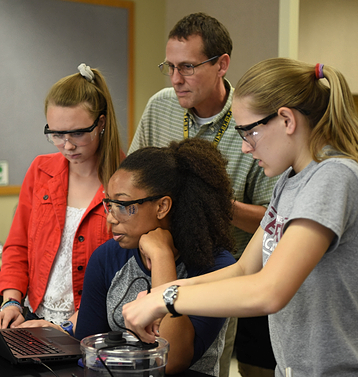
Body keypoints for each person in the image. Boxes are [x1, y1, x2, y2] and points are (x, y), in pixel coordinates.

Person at [121, 58, 358, 377]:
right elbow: (244, 269)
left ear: (286, 120)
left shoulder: (334, 178)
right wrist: (162, 292)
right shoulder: (290, 180)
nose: (244, 148)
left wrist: (169, 299)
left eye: (249, 132)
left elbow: (268, 291)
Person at [128, 12, 278, 377]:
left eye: (188, 68)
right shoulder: (159, 106)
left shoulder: (250, 121)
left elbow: (274, 219)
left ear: (222, 64)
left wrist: (213, 206)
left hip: (226, 271)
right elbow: (131, 183)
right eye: (170, 66)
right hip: (154, 260)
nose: (176, 79)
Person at [75, 138, 236, 376]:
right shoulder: (105, 258)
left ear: (162, 207)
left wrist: (162, 257)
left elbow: (172, 361)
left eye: (123, 204)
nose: (111, 218)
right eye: (110, 203)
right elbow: (89, 353)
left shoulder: (216, 268)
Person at [0, 64, 124, 333]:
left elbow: (123, 277)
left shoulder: (127, 182)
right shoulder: (40, 170)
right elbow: (18, 246)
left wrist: (67, 328)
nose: (67, 145)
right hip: (34, 318)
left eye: (78, 133)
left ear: (101, 123)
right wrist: (10, 301)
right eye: (56, 134)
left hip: (93, 329)